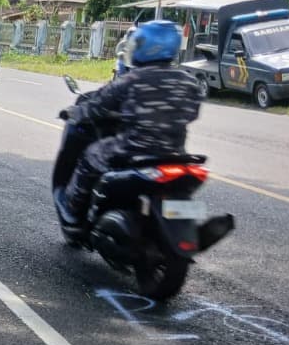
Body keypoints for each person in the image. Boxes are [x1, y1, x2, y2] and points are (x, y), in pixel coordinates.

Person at [57, 20, 202, 225]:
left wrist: (74, 113)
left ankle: (73, 208)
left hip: (132, 149)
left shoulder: (132, 79)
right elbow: (192, 113)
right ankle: (192, 220)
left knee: (90, 157)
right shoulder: (188, 81)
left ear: (146, 46)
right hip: (175, 153)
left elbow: (96, 107)